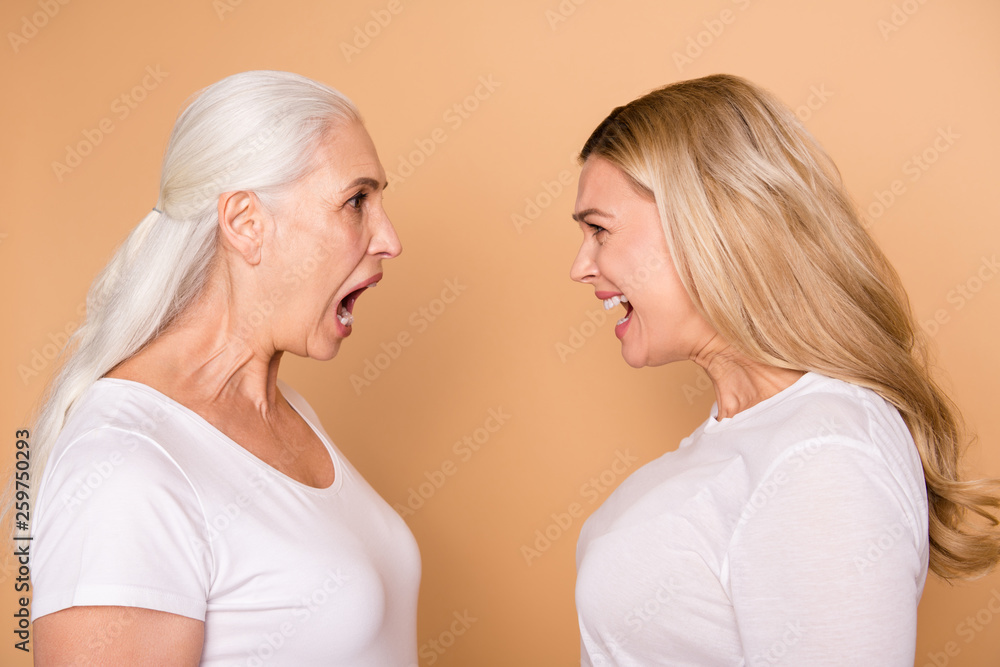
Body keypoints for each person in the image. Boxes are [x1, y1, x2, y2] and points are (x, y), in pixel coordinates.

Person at [569, 74, 1000, 666]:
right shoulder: (760, 435)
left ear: (710, 223)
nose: (580, 267)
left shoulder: (824, 454)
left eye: (599, 230)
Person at [25, 70, 420, 666]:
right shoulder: (124, 462)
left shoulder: (283, 413)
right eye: (357, 201)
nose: (389, 238)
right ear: (244, 222)